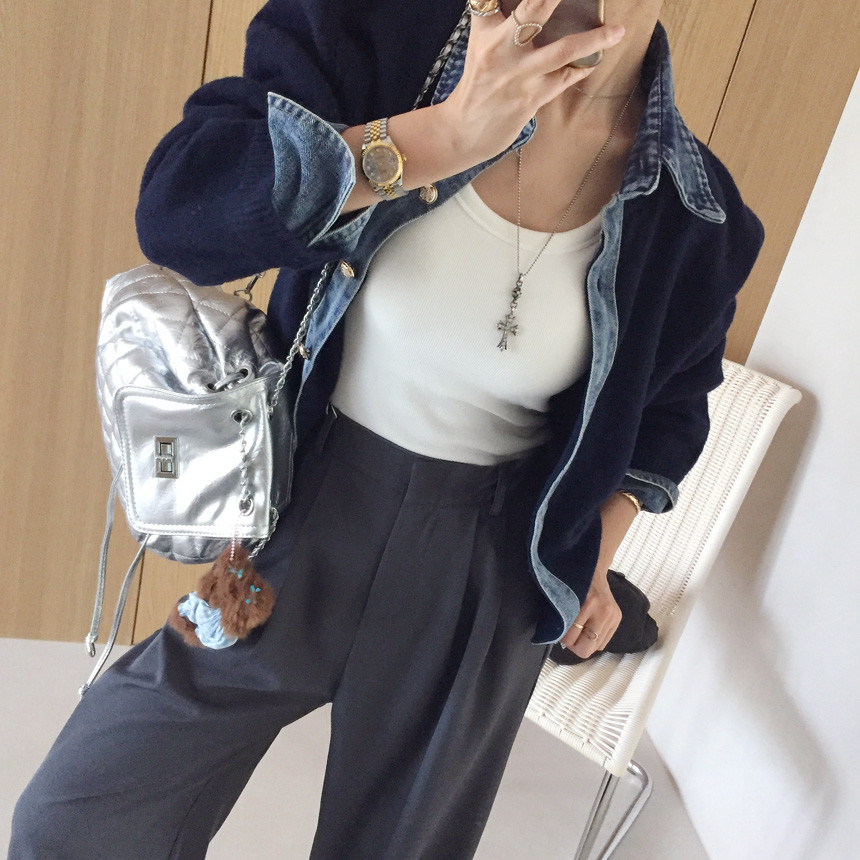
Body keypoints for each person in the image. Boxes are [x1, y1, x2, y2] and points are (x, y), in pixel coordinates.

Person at [10, 0, 763, 857]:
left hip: (488, 570)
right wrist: (440, 135)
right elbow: (182, 211)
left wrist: (599, 543)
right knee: (76, 822)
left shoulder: (699, 214)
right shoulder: (368, 34)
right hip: (302, 513)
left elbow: (672, 408)